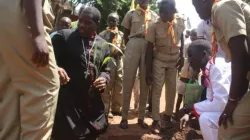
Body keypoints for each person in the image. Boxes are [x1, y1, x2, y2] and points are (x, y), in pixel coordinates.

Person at [0, 0, 60, 139]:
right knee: (44, 87)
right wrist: (38, 35)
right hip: (23, 13)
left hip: (5, 13)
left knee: (11, 86)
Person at [51, 7, 111, 140]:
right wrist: (56, 68)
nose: (82, 25)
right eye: (80, 20)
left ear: (97, 24)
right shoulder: (64, 37)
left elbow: (106, 69)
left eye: (87, 22)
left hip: (90, 104)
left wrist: (103, 78)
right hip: (68, 103)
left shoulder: (103, 45)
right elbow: (48, 60)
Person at [192, 0, 250, 139]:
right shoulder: (218, 14)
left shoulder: (222, 8)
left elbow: (241, 56)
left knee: (229, 132)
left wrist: (232, 101)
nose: (196, 11)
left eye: (196, 6)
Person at [145, 0, 185, 134]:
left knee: (172, 89)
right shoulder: (153, 25)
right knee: (157, 89)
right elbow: (149, 48)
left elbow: (182, 37)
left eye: (166, 12)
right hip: (159, 60)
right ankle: (156, 120)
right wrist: (148, 70)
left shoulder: (180, 20)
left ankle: (167, 117)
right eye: (160, 11)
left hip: (174, 60)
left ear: (173, 12)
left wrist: (182, 55)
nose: (162, 14)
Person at [178, 40, 231, 140]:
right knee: (205, 118)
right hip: (229, 109)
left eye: (191, 55)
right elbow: (210, 101)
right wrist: (191, 113)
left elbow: (221, 103)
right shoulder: (209, 69)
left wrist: (191, 107)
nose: (189, 60)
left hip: (239, 111)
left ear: (203, 54)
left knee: (206, 119)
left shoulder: (216, 67)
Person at [120, 0, 158, 129]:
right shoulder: (131, 14)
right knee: (128, 80)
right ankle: (124, 117)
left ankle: (141, 117)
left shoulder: (154, 16)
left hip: (148, 47)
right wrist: (130, 47)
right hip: (133, 44)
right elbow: (125, 34)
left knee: (145, 83)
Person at [99, 12, 124, 118]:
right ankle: (105, 109)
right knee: (108, 83)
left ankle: (116, 108)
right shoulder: (102, 34)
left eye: (114, 20)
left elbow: (124, 47)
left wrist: (121, 51)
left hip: (119, 59)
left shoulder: (122, 34)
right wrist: (109, 38)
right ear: (107, 21)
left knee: (119, 83)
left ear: (118, 22)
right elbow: (102, 48)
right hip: (109, 59)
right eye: (110, 20)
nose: (112, 22)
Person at [175, 29, 197, 114]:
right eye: (192, 35)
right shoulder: (187, 44)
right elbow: (183, 56)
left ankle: (184, 113)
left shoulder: (198, 46)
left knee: (187, 98)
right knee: (180, 96)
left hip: (192, 70)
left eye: (194, 35)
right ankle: (177, 112)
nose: (193, 37)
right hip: (186, 67)